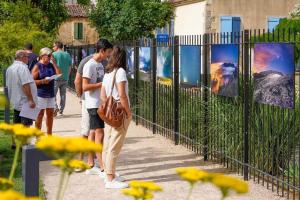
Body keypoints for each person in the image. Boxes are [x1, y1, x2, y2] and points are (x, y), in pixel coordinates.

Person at [101, 46, 132, 189]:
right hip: (120, 113)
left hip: (109, 113)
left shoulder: (108, 73)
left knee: (108, 144)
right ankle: (110, 179)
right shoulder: (120, 72)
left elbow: (103, 95)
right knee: (115, 146)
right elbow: (122, 95)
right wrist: (128, 112)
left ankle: (109, 174)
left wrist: (108, 108)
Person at [82, 39, 113, 175]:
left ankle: (91, 161)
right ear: (102, 51)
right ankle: (102, 165)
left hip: (98, 103)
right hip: (93, 104)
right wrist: (102, 85)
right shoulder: (90, 65)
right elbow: (85, 86)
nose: (109, 55)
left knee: (94, 132)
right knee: (100, 132)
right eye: (108, 52)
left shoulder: (100, 64)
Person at [74, 54, 108, 162]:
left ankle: (92, 159)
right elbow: (78, 81)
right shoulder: (87, 62)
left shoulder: (102, 62)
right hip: (89, 100)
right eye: (108, 51)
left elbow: (77, 81)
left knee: (94, 130)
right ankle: (81, 159)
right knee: (88, 130)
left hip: (98, 100)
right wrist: (81, 96)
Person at [32, 47, 61, 135]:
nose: (50, 57)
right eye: (48, 55)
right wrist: (42, 81)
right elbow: (31, 81)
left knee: (50, 116)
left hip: (50, 94)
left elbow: (59, 74)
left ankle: (49, 135)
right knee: (40, 115)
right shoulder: (37, 66)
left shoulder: (51, 65)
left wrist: (55, 63)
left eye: (50, 55)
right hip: (40, 94)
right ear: (42, 56)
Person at [6, 50, 38, 127]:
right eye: (27, 57)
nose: (28, 59)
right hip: (25, 103)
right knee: (25, 128)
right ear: (22, 57)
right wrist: (30, 100)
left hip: (16, 103)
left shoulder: (10, 68)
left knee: (17, 127)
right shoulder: (23, 68)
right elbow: (25, 84)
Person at [52, 41, 72, 116]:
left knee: (53, 94)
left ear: (57, 46)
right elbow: (70, 66)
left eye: (54, 46)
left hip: (56, 77)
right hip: (65, 77)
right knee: (63, 95)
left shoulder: (53, 54)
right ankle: (61, 110)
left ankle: (55, 107)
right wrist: (67, 75)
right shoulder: (67, 54)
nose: (53, 48)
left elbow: (52, 66)